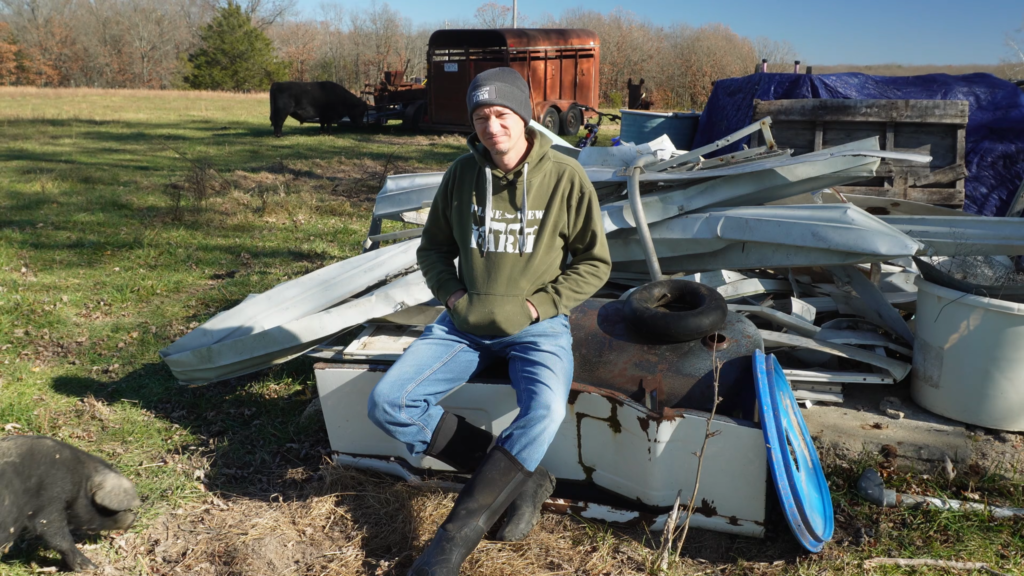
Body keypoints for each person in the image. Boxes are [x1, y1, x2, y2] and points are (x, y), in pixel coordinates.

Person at [367, 67, 611, 576]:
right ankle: (525, 478)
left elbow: (595, 262)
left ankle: (448, 547)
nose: (492, 126)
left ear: (523, 116)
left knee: (543, 411)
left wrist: (536, 307)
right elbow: (433, 249)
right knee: (390, 403)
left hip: (537, 326)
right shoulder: (460, 175)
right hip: (465, 322)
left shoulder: (566, 177)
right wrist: (454, 296)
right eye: (481, 116)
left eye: (502, 114)